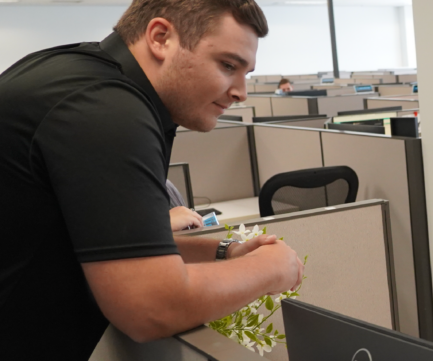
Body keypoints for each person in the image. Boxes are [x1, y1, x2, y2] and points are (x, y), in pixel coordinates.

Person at [0, 0, 305, 359]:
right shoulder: (104, 110)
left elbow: (101, 243)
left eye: (246, 73)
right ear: (161, 38)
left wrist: (225, 251)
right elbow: (152, 308)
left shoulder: (79, 75)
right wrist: (271, 269)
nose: (241, 91)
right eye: (227, 65)